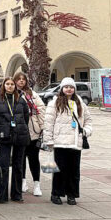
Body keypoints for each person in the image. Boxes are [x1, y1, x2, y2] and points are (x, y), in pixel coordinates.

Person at [43, 77, 93, 205]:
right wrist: (48, 140)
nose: (69, 89)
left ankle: (72, 194)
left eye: (71, 87)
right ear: (62, 89)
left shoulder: (80, 102)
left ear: (74, 89)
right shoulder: (54, 103)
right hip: (60, 142)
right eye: (66, 87)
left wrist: (86, 131)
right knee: (59, 170)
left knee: (74, 170)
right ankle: (56, 194)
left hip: (75, 142)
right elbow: (48, 123)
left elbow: (88, 120)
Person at [0, 77, 30, 203]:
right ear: (3, 86)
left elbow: (26, 117)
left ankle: (17, 194)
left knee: (18, 166)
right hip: (4, 136)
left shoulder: (21, 100)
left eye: (12, 84)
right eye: (7, 84)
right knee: (4, 166)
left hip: (20, 136)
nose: (10, 86)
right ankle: (1, 195)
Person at [14, 72, 45, 197]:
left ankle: (36, 184)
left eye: (23, 79)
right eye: (19, 79)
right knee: (20, 159)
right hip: (19, 132)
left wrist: (42, 127)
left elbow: (41, 110)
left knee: (34, 159)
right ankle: (23, 182)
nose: (21, 81)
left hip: (33, 131)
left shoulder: (32, 95)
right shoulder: (13, 94)